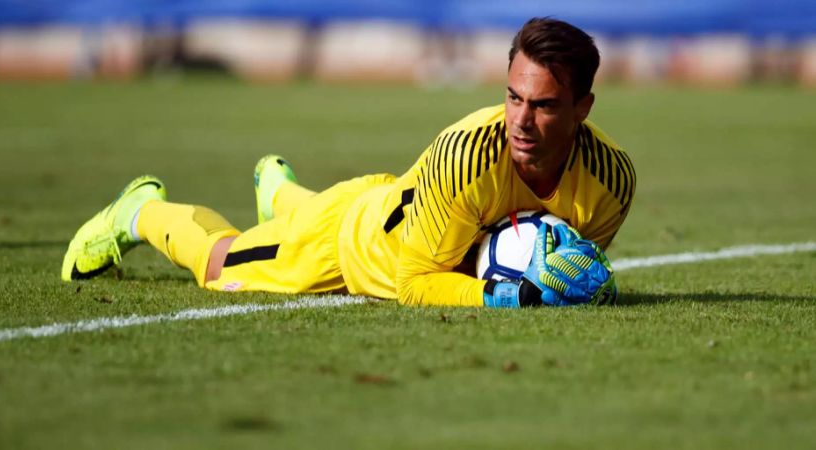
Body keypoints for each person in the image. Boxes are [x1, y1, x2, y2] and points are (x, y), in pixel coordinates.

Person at [61, 17, 635, 308]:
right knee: (218, 267)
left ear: (583, 108)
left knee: (319, 212)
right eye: (514, 98)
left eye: (545, 106)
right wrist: (503, 296)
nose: (522, 120)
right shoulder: (467, 157)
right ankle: (139, 211)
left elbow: (563, 262)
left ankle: (281, 193)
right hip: (350, 245)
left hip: (393, 207)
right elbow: (414, 285)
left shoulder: (610, 184)